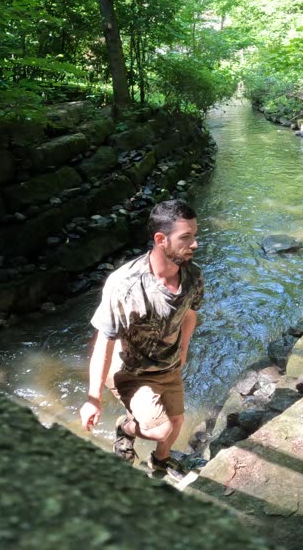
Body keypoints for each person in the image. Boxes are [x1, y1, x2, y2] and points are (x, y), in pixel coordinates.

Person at [79, 199, 204, 480]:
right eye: (186, 237)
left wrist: (183, 349)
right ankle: (125, 429)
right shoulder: (125, 285)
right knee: (161, 430)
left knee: (177, 421)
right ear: (161, 239)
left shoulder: (194, 275)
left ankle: (160, 462)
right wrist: (93, 398)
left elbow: (190, 313)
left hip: (168, 365)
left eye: (195, 235)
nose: (194, 244)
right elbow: (104, 342)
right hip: (130, 371)